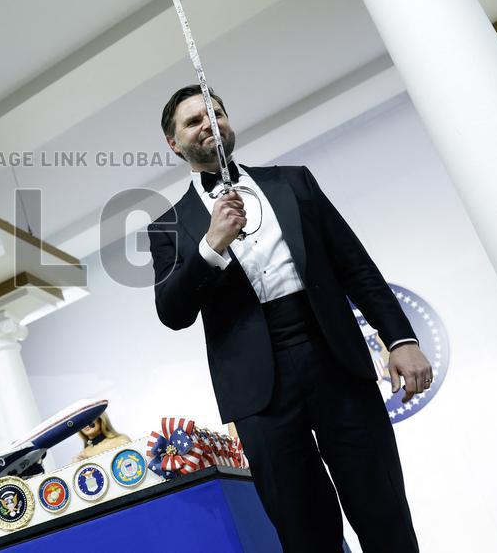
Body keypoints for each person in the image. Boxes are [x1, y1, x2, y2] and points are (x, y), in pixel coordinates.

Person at [148, 85, 430, 552]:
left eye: (215, 113)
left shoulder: (293, 182)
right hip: (259, 393)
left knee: (383, 510)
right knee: (305, 531)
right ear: (174, 144)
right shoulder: (168, 226)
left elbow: (355, 265)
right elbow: (172, 313)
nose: (209, 124)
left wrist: (400, 338)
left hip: (335, 359)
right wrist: (210, 245)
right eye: (194, 121)